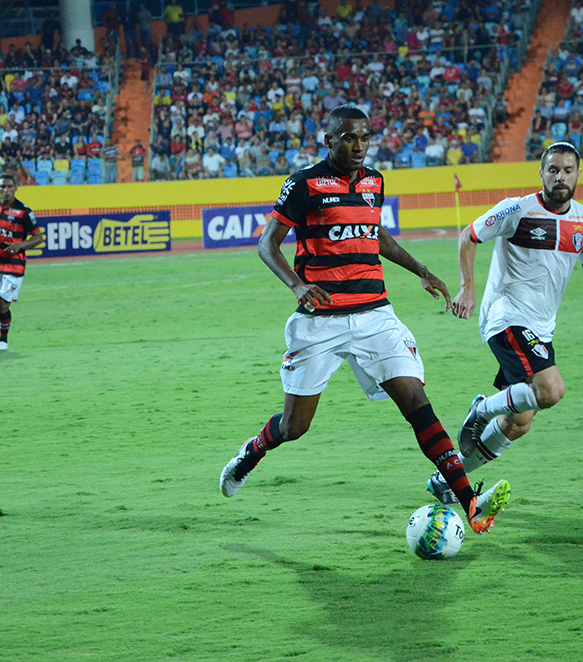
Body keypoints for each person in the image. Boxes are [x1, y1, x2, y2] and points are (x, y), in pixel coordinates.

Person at [218, 104, 509, 535]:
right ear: (328, 140)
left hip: (376, 315)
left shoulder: (374, 181)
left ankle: (468, 500)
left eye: (365, 137)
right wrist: (298, 286)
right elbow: (267, 245)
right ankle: (253, 451)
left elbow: (376, 234)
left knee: (417, 404)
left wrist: (420, 270)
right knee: (294, 426)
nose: (358, 146)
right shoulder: (304, 184)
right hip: (320, 321)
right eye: (348, 138)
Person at [425, 142, 583, 513]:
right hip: (506, 316)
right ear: (541, 173)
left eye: (567, 170)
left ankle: (446, 481)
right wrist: (468, 288)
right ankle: (479, 411)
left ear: (578, 175)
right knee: (551, 390)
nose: (560, 177)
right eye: (553, 170)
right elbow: (468, 236)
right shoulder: (517, 209)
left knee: (519, 421)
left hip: (541, 328)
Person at [0, 173, 45, 351]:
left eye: (9, 187)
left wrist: (20, 245)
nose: (6, 190)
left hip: (14, 265)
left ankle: (3, 338)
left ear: (16, 188)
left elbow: (39, 237)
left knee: (4, 304)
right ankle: (4, 319)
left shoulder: (24, 211)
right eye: (3, 187)